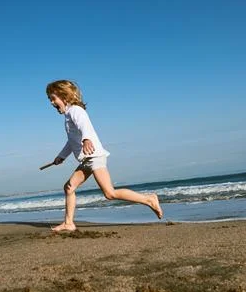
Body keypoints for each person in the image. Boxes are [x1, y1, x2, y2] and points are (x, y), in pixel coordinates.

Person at [46, 80, 163, 232]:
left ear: (64, 96)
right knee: (69, 187)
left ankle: (149, 199)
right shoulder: (68, 116)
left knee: (109, 193)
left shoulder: (75, 111)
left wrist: (87, 139)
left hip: (94, 157)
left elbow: (85, 125)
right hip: (86, 160)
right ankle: (69, 223)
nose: (52, 103)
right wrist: (61, 156)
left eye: (53, 98)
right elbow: (71, 142)